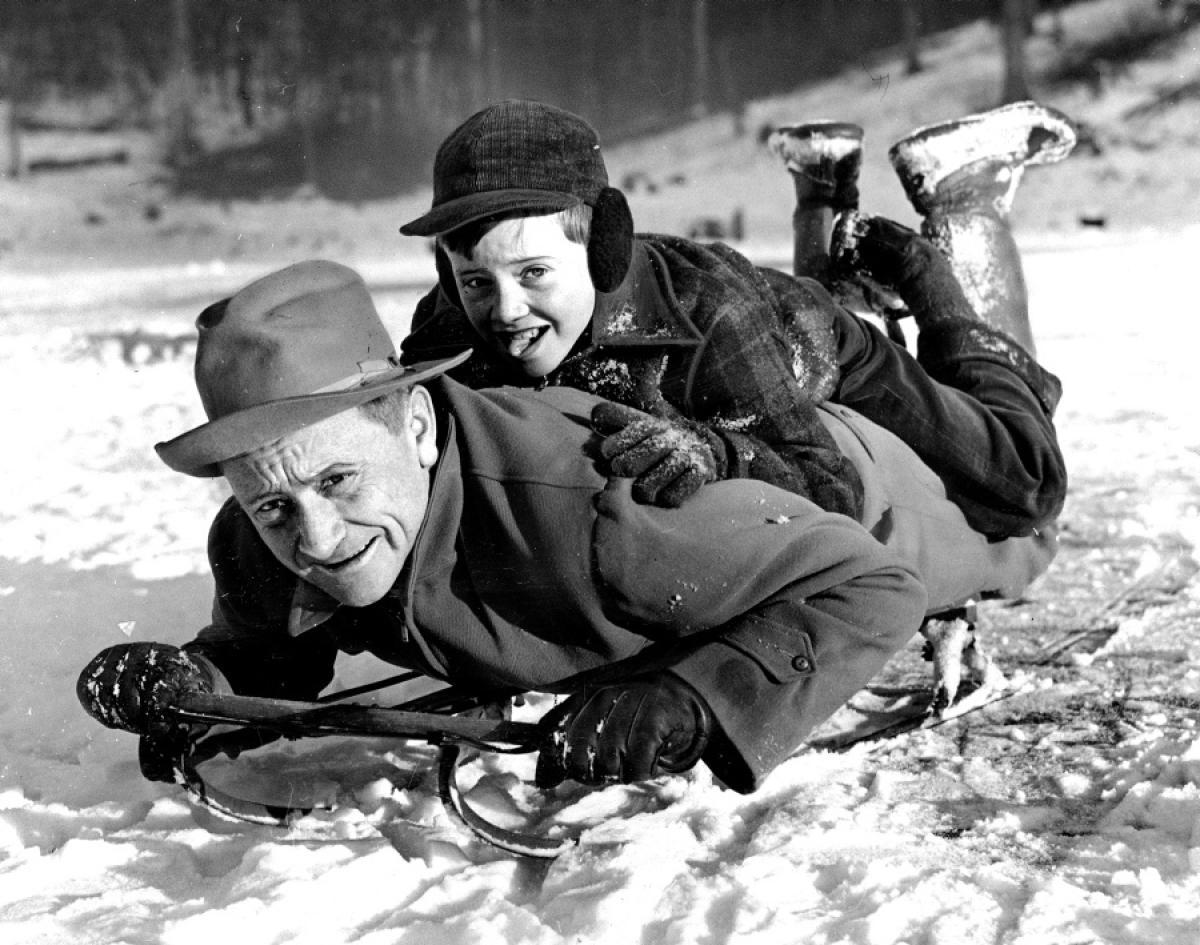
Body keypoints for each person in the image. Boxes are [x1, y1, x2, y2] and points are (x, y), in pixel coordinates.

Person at [76, 261, 1051, 793]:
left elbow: (869, 587)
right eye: (274, 503)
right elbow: (259, 656)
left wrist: (696, 698)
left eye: (338, 478)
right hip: (741, 479)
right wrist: (189, 685)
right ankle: (827, 240)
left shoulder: (594, 511)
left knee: (1018, 483)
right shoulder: (266, 534)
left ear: (413, 425)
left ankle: (951, 253)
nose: (317, 535)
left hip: (873, 500)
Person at [397, 99, 1073, 545]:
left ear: (603, 246)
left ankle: (952, 225)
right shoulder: (449, 325)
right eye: (477, 281)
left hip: (812, 344)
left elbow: (830, 488)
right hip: (769, 311)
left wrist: (719, 454)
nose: (506, 310)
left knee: (1023, 486)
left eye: (534, 274)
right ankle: (825, 192)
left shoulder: (708, 310)